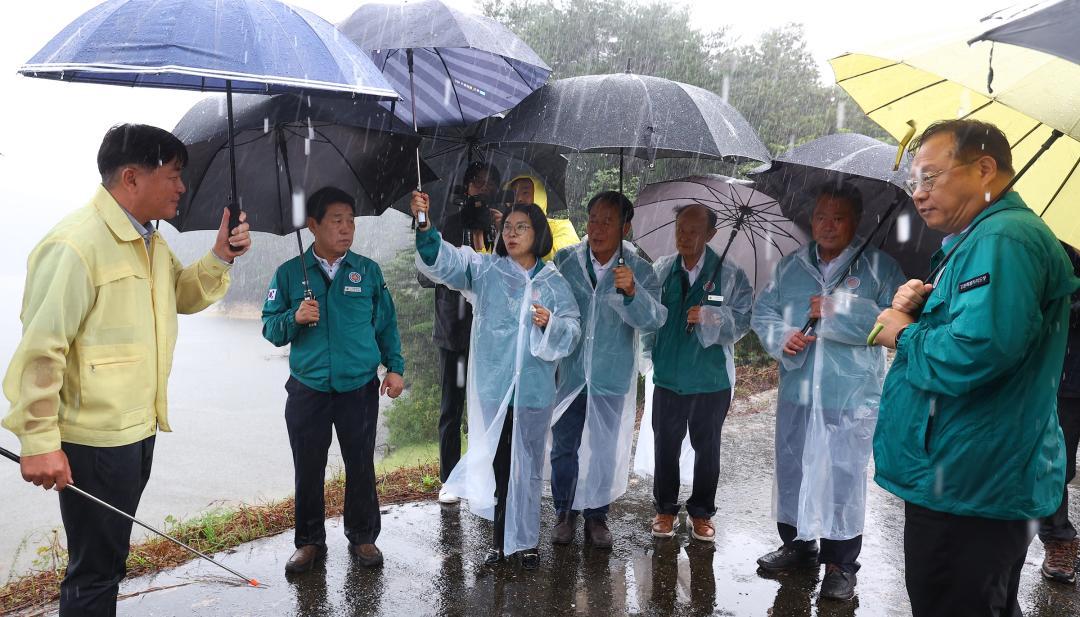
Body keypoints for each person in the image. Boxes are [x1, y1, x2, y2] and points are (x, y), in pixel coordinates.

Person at [2, 123, 251, 616]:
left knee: (108, 563)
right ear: (132, 178)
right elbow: (41, 349)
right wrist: (39, 441)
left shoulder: (149, 242)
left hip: (137, 432)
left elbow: (179, 295)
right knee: (95, 572)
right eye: (174, 175)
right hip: (94, 442)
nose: (182, 187)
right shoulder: (75, 246)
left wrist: (221, 256)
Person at [872, 119, 1078, 616]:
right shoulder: (983, 237)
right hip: (971, 475)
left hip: (968, 480)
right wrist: (920, 307)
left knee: (952, 602)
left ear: (984, 169)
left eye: (930, 178)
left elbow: (979, 350)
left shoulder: (1002, 239)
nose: (918, 195)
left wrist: (902, 332)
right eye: (913, 182)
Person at [750, 184, 905, 601]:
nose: (828, 225)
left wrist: (838, 309)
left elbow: (897, 324)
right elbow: (763, 311)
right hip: (799, 391)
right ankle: (798, 545)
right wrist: (782, 336)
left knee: (842, 477)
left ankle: (840, 564)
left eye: (838, 218)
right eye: (821, 216)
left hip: (850, 395)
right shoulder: (791, 267)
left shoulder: (879, 268)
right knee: (794, 469)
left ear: (855, 222)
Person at [411, 190, 580, 569]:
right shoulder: (486, 271)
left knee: (529, 468)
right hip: (495, 389)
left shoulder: (553, 283)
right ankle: (502, 543)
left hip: (534, 393)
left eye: (522, 227)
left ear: (538, 234)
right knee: (501, 466)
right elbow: (445, 262)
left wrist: (550, 323)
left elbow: (571, 333)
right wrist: (425, 226)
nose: (512, 234)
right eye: (507, 227)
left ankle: (527, 543)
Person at [262, 186, 405, 573]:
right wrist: (294, 317)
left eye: (351, 221)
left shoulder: (367, 271)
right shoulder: (290, 274)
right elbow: (270, 329)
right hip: (308, 388)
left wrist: (395, 367)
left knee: (360, 464)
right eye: (337, 221)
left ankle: (363, 537)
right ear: (313, 225)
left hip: (358, 387)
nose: (347, 229)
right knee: (308, 467)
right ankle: (309, 542)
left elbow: (386, 325)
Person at [549, 191, 666, 548]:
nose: (597, 228)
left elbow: (654, 319)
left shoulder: (639, 269)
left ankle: (597, 517)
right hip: (569, 374)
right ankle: (564, 512)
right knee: (564, 447)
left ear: (625, 227)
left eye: (608, 221)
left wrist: (632, 292)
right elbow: (551, 302)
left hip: (610, 376)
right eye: (593, 219)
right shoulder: (566, 260)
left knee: (603, 448)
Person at [643, 203, 753, 543]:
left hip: (710, 379)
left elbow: (744, 318)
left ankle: (702, 512)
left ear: (710, 234)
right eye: (680, 229)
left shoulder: (729, 274)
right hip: (669, 375)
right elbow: (648, 317)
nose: (684, 237)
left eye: (693, 231)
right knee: (666, 446)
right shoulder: (661, 270)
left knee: (708, 449)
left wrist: (711, 316)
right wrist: (649, 357)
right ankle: (664, 508)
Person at [420, 162, 502, 504]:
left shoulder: (505, 228)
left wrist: (498, 231)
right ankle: (450, 479)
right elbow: (425, 275)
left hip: (494, 334)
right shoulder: (450, 225)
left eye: (488, 184)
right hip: (454, 331)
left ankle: (492, 475)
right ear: (466, 188)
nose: (481, 189)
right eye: (476, 183)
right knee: (452, 408)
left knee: (492, 407)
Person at [1038, 243, 1080, 584]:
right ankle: (1059, 539)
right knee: (1057, 464)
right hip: (1069, 373)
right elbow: (1051, 297)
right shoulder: (1060, 240)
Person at [506, 174, 579, 259]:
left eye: (525, 192)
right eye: (514, 194)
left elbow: (565, 256)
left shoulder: (561, 226)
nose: (519, 199)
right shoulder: (506, 232)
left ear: (539, 197)